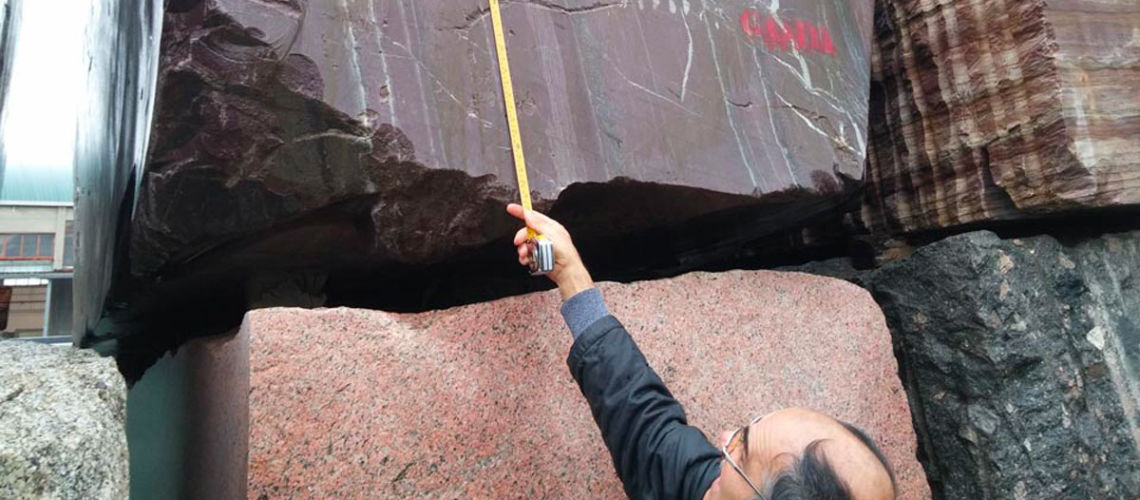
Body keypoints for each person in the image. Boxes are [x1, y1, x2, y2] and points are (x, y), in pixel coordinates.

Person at [506, 204, 897, 500]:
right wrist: (571, 274)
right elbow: (647, 429)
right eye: (747, 428)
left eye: (740, 452)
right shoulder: (709, 488)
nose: (723, 437)